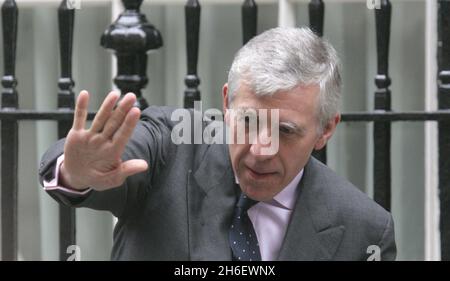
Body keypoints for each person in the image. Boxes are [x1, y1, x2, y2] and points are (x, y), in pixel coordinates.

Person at [39, 27, 396, 261]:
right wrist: (76, 172)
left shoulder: (364, 231)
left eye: (286, 131)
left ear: (326, 129)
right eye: (249, 121)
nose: (260, 149)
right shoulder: (169, 148)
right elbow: (119, 156)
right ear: (226, 103)